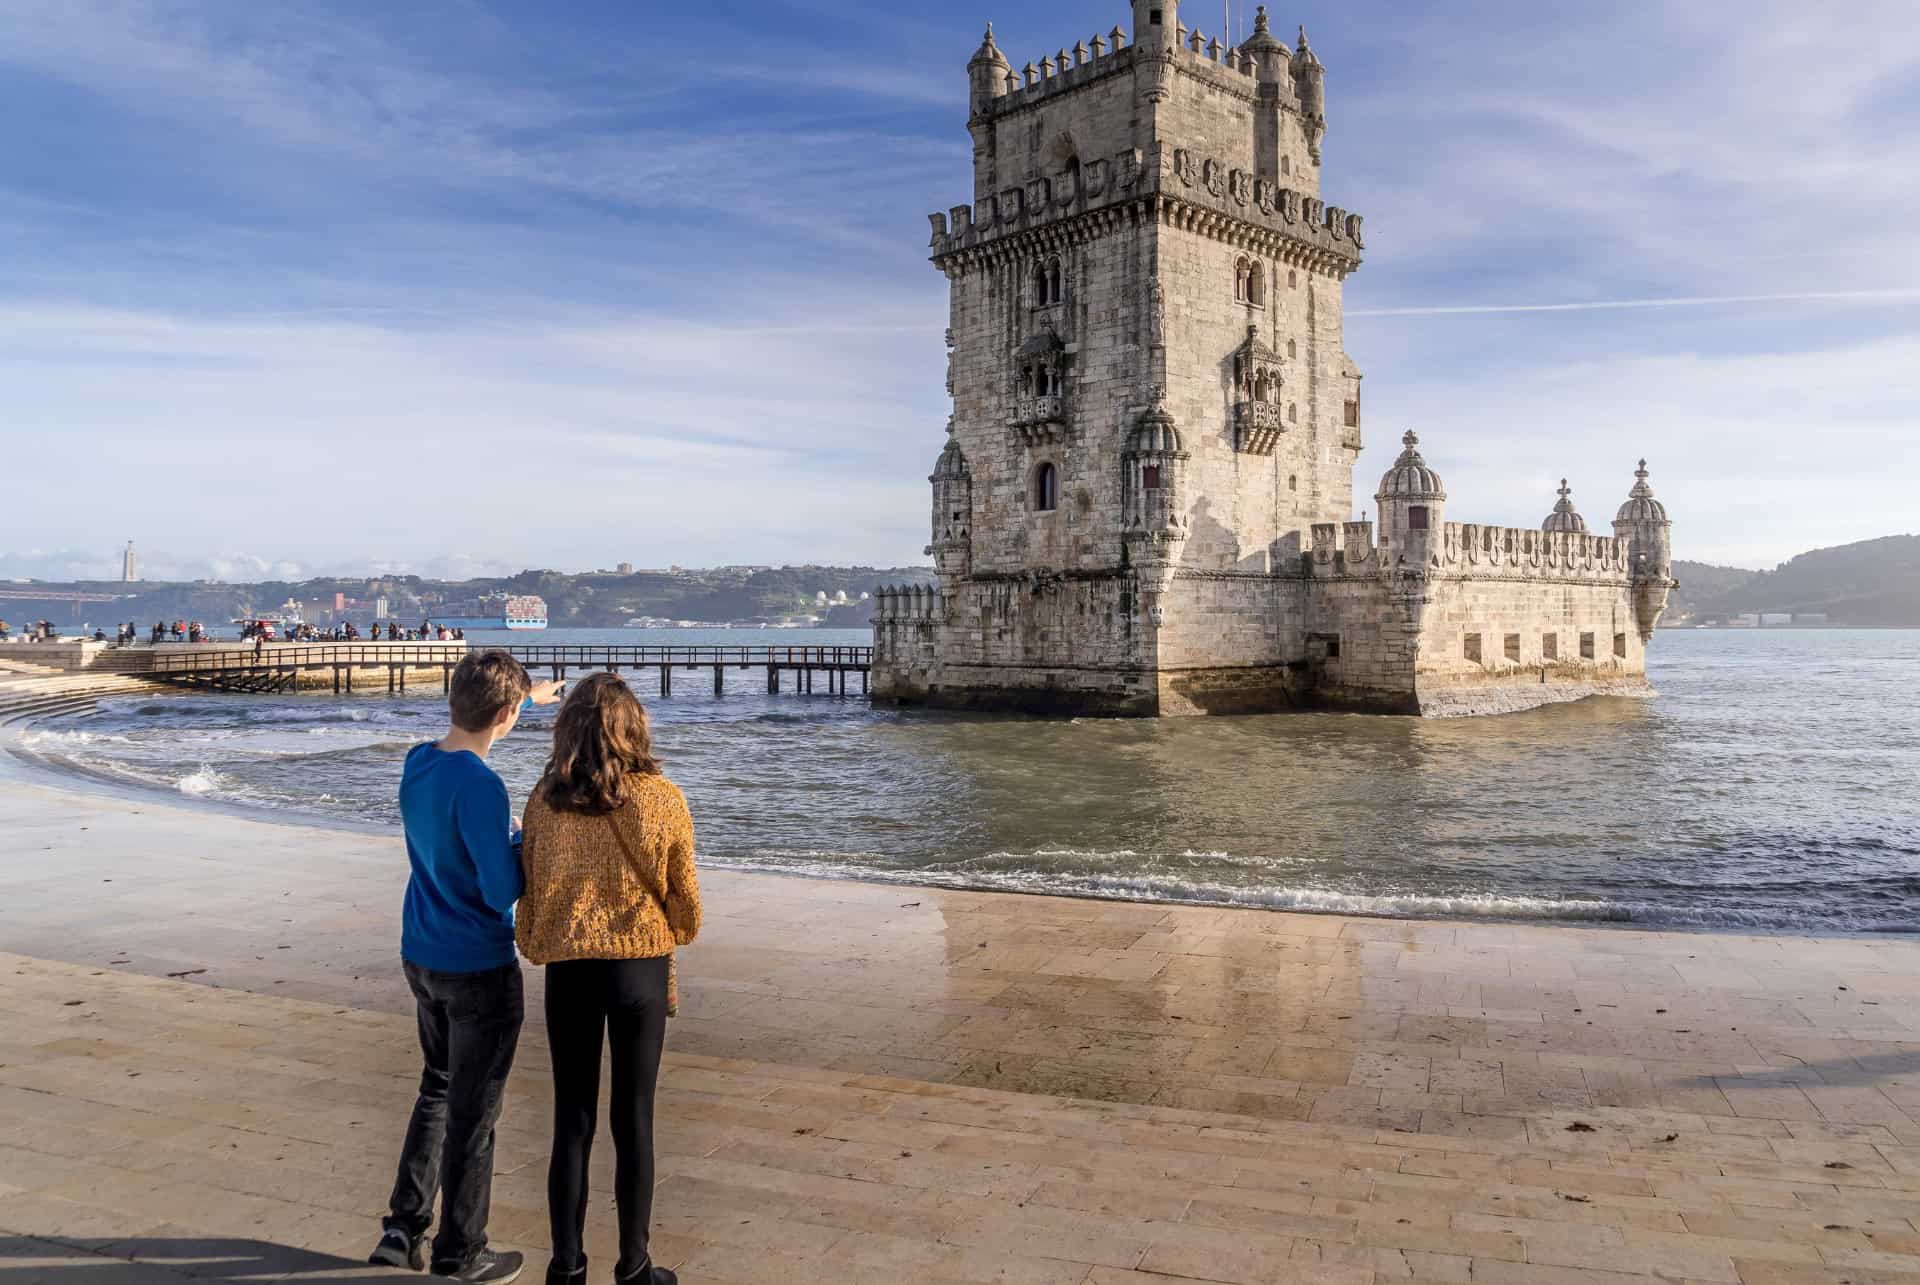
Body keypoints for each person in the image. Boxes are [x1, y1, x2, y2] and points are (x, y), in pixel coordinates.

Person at [370, 651, 562, 1283]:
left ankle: (403, 1228)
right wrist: (517, 838)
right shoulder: (483, 786)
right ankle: (462, 1251)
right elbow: (499, 889)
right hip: (477, 964)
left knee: (437, 1088)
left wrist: (528, 700)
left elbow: (481, 719)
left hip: (419, 951)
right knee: (474, 1115)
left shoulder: (419, 761)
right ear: (505, 716)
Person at [518, 674, 702, 1285]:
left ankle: (566, 1267)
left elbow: (533, 888)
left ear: (567, 727)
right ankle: (634, 1267)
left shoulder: (545, 799)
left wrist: (540, 938)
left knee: (571, 1120)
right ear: (635, 727)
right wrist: (669, 931)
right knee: (635, 1118)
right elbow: (687, 905)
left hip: (570, 969)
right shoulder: (663, 797)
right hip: (639, 970)